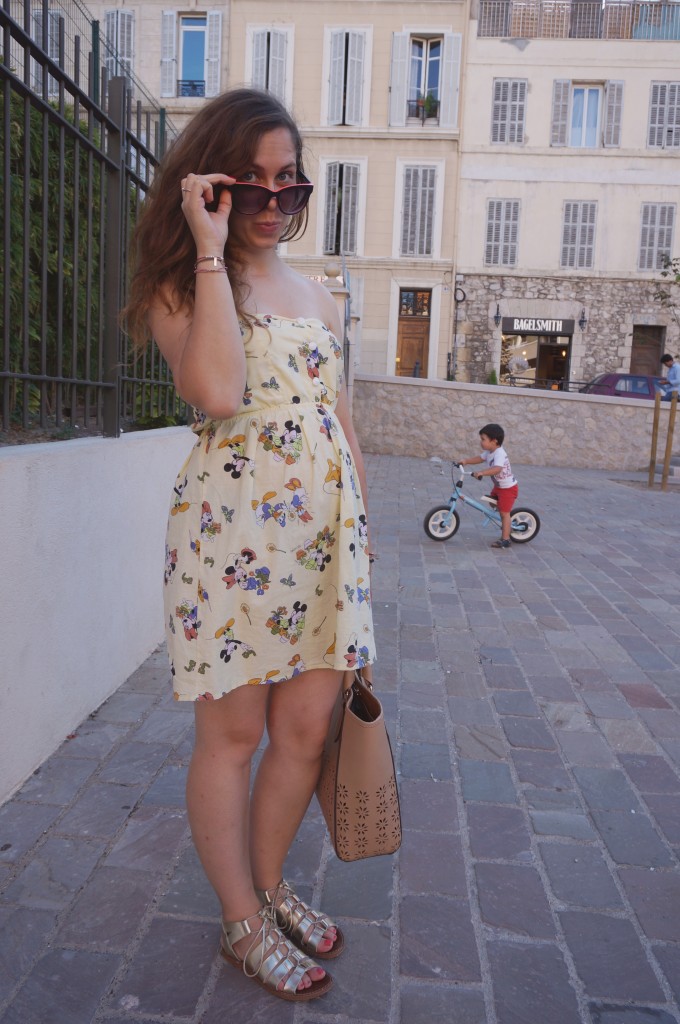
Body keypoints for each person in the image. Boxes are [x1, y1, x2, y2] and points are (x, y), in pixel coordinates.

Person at [123, 88, 375, 1003]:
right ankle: (240, 921)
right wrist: (208, 247)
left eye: (289, 182)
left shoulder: (320, 294)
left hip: (323, 547)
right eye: (251, 182)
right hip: (230, 540)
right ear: (212, 183)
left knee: (304, 733)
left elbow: (339, 419)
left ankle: (269, 891)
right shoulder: (183, 285)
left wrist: (364, 538)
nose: (273, 200)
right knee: (231, 738)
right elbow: (220, 393)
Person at [459, 423, 518, 549]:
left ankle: (506, 539)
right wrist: (466, 461)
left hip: (508, 489)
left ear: (494, 441)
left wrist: (481, 473)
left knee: (504, 513)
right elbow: (480, 458)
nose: (481, 442)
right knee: (493, 503)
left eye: (483, 439)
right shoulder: (490, 452)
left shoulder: (499, 453)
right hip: (499, 487)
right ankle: (505, 521)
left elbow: (497, 469)